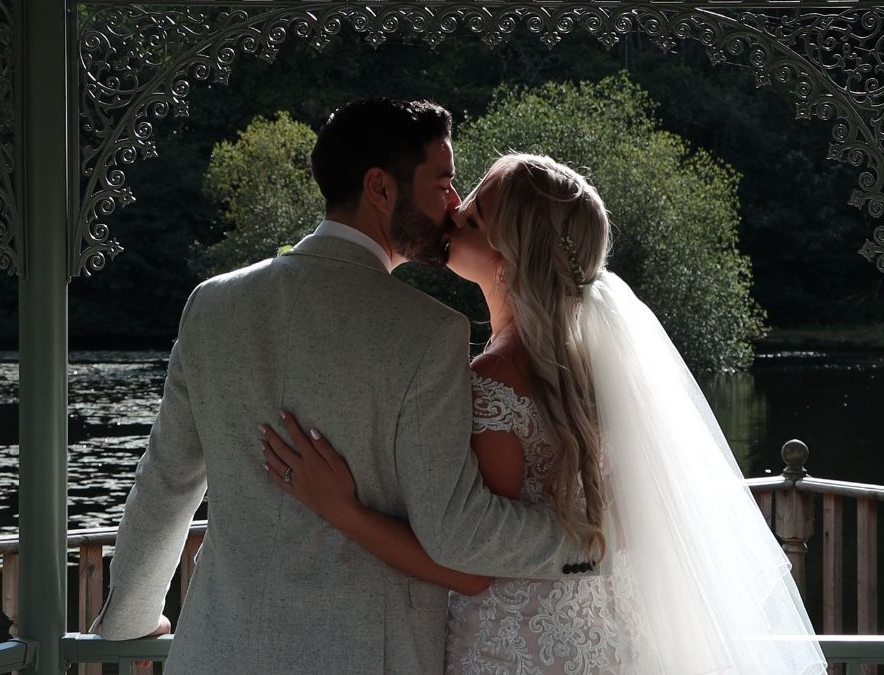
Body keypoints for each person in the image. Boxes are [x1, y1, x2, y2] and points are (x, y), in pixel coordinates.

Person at [262, 153, 829, 674]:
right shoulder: (602, 373)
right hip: (612, 640)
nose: (453, 215)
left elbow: (473, 563)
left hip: (517, 648)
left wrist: (343, 509)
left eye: (475, 218)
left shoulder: (493, 381)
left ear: (509, 259)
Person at [90, 102, 595, 674]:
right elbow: (459, 534)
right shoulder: (430, 333)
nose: (454, 204)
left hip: (219, 650)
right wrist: (594, 550)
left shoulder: (212, 305)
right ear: (380, 188)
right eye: (444, 182)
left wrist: (129, 622)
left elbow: (165, 484)